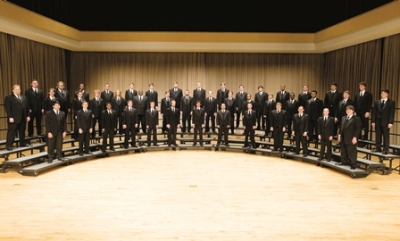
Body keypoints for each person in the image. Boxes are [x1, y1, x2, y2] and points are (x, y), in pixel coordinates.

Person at [5, 85, 30, 151]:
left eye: (19, 89)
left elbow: (27, 107)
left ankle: (22, 143)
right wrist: (10, 117)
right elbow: (8, 109)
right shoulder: (9, 98)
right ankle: (9, 145)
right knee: (12, 132)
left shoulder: (24, 97)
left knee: (22, 132)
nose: (18, 90)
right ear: (13, 90)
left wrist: (28, 115)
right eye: (16, 89)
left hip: (23, 118)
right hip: (14, 118)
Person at [337, 105, 362, 169]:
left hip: (351, 138)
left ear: (353, 111)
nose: (348, 111)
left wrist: (355, 137)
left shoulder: (356, 119)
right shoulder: (343, 118)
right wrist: (339, 135)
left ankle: (353, 164)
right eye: (347, 110)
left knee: (351, 151)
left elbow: (358, 129)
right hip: (343, 137)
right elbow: (341, 127)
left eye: (350, 110)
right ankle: (343, 161)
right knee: (343, 150)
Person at [371, 89, 395, 154]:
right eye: (382, 93)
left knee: (386, 136)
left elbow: (391, 113)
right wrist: (373, 121)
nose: (382, 94)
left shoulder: (391, 102)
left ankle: (386, 149)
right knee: (378, 135)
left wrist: (390, 122)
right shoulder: (377, 102)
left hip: (386, 122)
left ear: (387, 94)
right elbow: (374, 112)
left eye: (384, 93)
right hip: (378, 121)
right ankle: (377, 148)